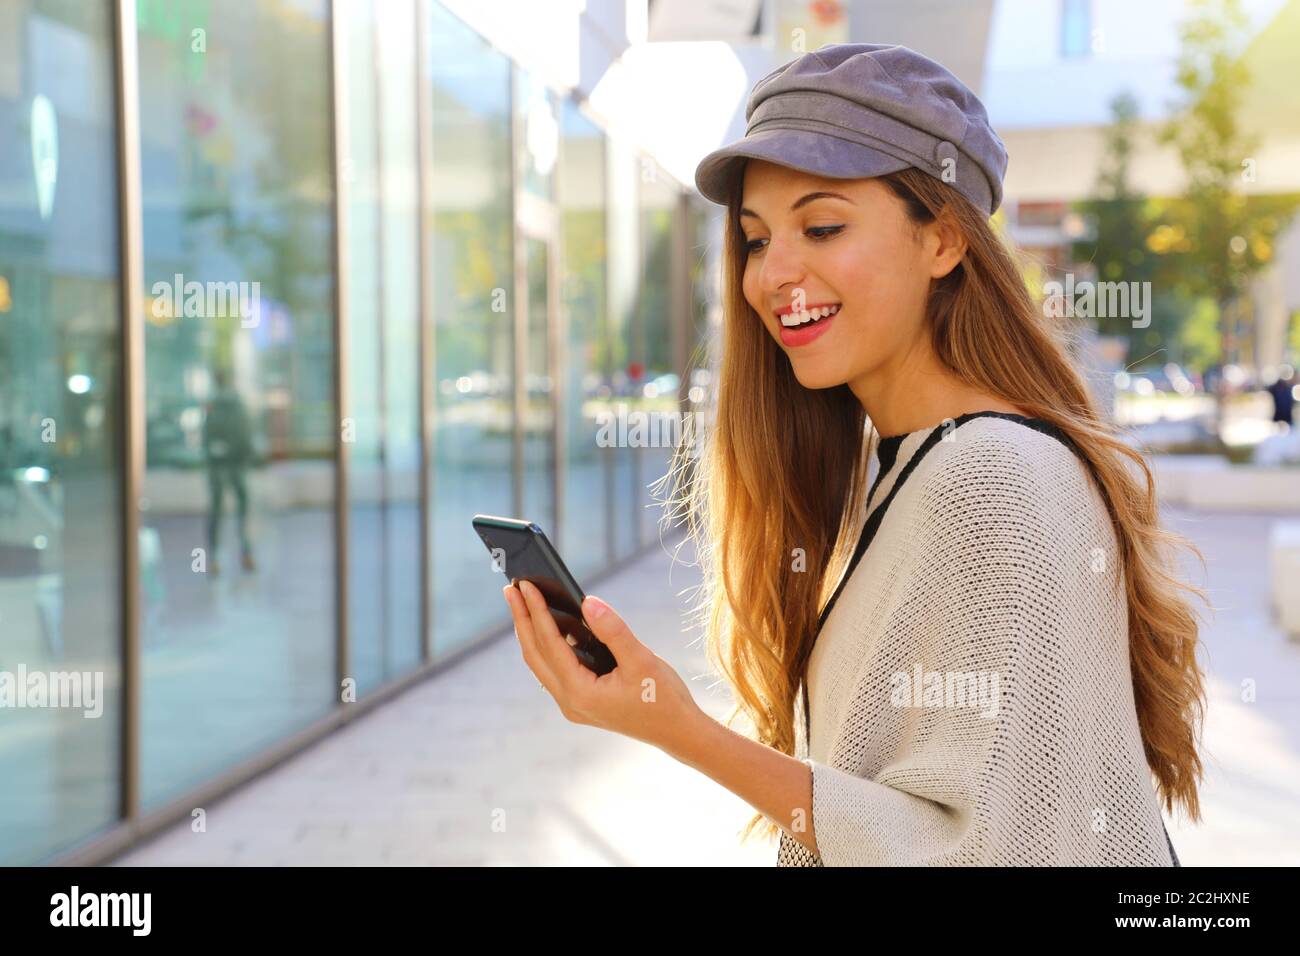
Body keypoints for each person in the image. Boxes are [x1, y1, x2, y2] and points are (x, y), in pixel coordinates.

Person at [501, 44, 1207, 866]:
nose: (774, 275)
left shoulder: (991, 480)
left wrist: (676, 726)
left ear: (942, 242)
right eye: (757, 240)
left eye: (823, 226)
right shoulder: (909, 465)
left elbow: (973, 848)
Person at [203, 367, 256, 574]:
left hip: (224, 464)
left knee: (221, 511)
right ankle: (243, 554)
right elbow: (245, 433)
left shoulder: (216, 404)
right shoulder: (232, 404)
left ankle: (218, 558)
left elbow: (208, 436)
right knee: (239, 511)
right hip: (232, 465)